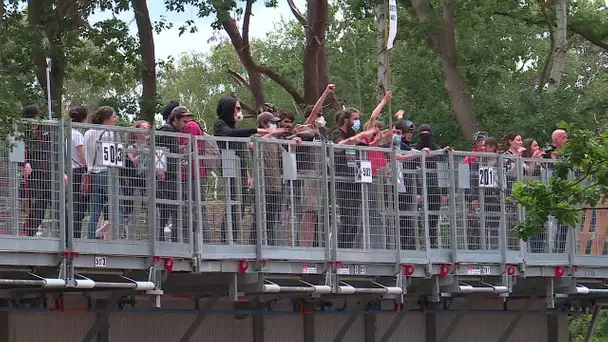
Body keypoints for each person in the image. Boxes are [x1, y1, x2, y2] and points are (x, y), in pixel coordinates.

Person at [213, 96, 286, 243]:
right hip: (228, 170)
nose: (240, 111)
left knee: (239, 205)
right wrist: (256, 130)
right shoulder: (220, 124)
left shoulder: (233, 126)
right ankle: (227, 240)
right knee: (232, 203)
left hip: (238, 169)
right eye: (237, 108)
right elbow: (229, 134)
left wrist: (246, 173)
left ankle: (233, 239)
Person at [156, 105, 193, 242]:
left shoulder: (172, 132)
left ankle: (171, 240)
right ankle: (170, 241)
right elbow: (158, 148)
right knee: (169, 211)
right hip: (166, 179)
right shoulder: (167, 130)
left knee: (170, 211)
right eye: (184, 121)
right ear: (175, 119)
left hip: (171, 177)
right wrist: (160, 169)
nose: (185, 125)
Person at [82, 106, 119, 239]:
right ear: (107, 119)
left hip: (92, 173)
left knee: (95, 211)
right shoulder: (110, 133)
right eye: (114, 117)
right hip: (106, 172)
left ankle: (91, 237)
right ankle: (116, 237)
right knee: (117, 206)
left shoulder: (88, 133)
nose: (116, 119)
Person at [414, 124, 450, 249]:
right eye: (422, 134)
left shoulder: (438, 150)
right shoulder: (414, 150)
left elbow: (443, 172)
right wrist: (417, 192)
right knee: (417, 219)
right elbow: (411, 172)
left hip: (434, 189)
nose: (425, 136)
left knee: (433, 219)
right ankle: (419, 245)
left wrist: (444, 193)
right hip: (418, 189)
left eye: (427, 134)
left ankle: (432, 244)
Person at [21, 105, 54, 237]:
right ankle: (29, 233)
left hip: (48, 174)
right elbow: (17, 151)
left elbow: (53, 152)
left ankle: (70, 237)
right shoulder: (22, 133)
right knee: (36, 206)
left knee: (57, 205)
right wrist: (24, 163)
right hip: (34, 175)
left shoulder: (46, 132)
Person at [68, 106, 89, 239]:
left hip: (72, 170)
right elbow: (82, 156)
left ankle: (73, 234)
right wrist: (89, 165)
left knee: (75, 203)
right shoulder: (78, 135)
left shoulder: (69, 133)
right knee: (80, 206)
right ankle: (76, 235)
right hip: (79, 171)